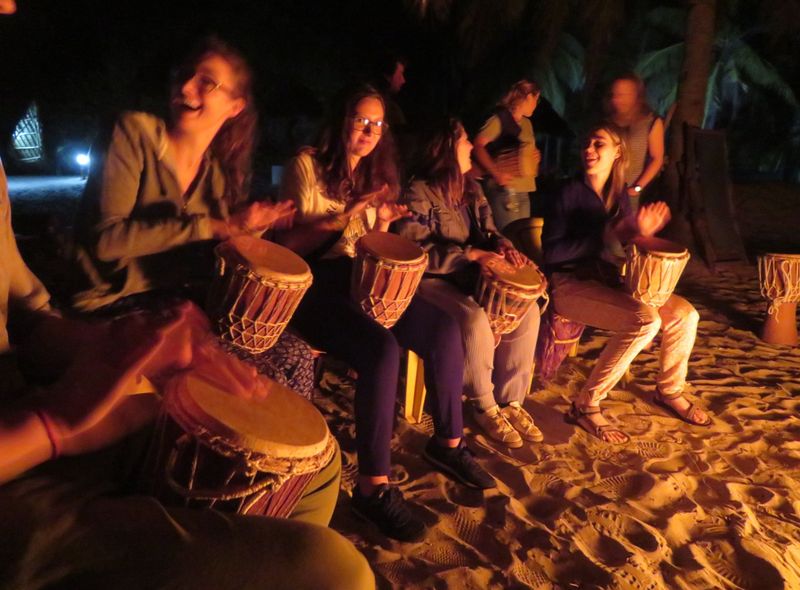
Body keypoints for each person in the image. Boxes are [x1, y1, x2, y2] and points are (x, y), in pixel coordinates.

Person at [0, 161, 374, 589]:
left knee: (318, 465)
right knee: (332, 569)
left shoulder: (217, 167)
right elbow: (109, 243)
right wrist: (50, 424)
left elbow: (27, 317)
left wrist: (120, 346)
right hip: (18, 462)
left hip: (32, 392)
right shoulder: (137, 145)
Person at [277, 84, 495, 542]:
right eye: (361, 119)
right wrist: (346, 214)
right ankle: (373, 488)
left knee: (444, 329)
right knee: (381, 350)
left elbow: (365, 244)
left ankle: (448, 443)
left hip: (359, 274)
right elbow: (291, 245)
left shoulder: (372, 174)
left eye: (377, 124)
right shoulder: (307, 165)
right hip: (313, 281)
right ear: (341, 120)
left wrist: (380, 223)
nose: (369, 131)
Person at [71, 37, 314, 396]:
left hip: (174, 305)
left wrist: (251, 231)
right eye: (184, 75)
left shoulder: (214, 175)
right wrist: (214, 226)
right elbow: (105, 241)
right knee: (256, 379)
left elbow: (209, 256)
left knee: (297, 356)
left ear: (234, 106)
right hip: (110, 304)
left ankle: (288, 435)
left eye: (206, 82)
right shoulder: (134, 133)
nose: (185, 87)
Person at [541, 122, 711, 445]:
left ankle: (669, 391)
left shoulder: (618, 192)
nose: (589, 149)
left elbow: (622, 237)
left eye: (598, 144)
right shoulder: (567, 192)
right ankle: (586, 404)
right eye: (587, 143)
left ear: (617, 152)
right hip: (569, 284)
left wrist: (640, 231)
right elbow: (552, 253)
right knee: (645, 320)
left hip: (607, 279)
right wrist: (609, 233)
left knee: (685, 315)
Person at [396, 118, 542, 450]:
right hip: (431, 279)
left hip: (466, 275)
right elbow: (415, 251)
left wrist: (502, 246)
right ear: (446, 149)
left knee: (528, 311)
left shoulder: (470, 188)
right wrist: (471, 254)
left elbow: (490, 231)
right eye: (463, 141)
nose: (469, 146)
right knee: (474, 318)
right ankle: (484, 405)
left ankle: (510, 401)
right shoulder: (417, 192)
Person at [473, 79, 542, 231]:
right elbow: (477, 147)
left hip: (524, 190)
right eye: (536, 99)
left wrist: (534, 157)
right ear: (528, 97)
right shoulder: (500, 119)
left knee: (523, 238)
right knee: (510, 237)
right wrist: (496, 174)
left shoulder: (527, 124)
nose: (536, 105)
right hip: (505, 191)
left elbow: (525, 153)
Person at [605, 73, 665, 212]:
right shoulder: (607, 123)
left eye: (624, 94)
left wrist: (638, 187)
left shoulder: (650, 122)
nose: (617, 99)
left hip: (630, 193)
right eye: (615, 94)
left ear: (637, 96)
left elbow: (657, 158)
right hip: (605, 190)